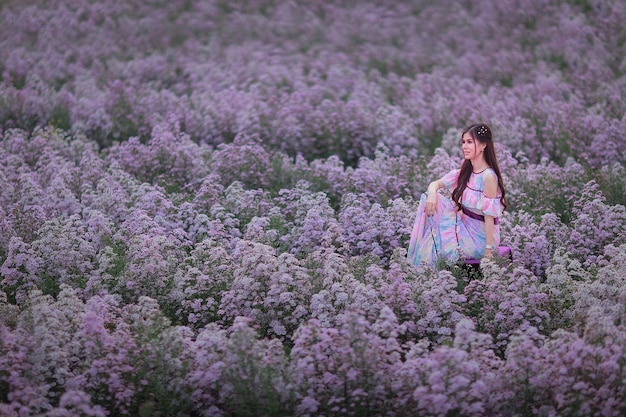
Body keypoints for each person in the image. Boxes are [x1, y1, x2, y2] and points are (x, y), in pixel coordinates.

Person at [407, 123, 507, 266]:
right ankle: (424, 275)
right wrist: (432, 194)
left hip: (480, 238)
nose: (464, 146)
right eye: (463, 142)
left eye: (470, 142)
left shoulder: (488, 176)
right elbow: (434, 184)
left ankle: (428, 274)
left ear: (483, 145)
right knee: (427, 202)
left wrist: (488, 250)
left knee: (438, 240)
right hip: (463, 227)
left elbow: (489, 216)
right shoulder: (465, 172)